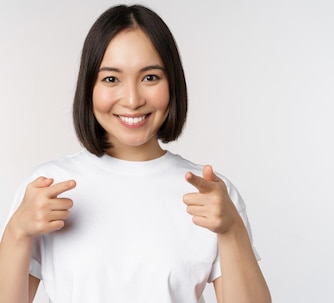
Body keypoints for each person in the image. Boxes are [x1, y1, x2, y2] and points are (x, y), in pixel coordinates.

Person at [0, 4, 271, 303]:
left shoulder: (211, 195)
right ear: (89, 87)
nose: (132, 99)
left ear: (173, 84)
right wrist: (17, 233)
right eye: (111, 79)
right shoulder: (47, 187)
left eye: (150, 77)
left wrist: (232, 229)